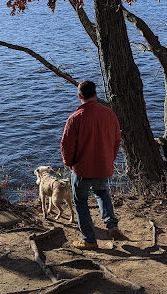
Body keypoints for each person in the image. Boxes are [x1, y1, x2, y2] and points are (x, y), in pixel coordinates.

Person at [60, 80, 125, 249]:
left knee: (80, 202)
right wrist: (109, 159)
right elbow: (117, 140)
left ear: (79, 96)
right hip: (103, 166)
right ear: (95, 94)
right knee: (102, 192)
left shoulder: (75, 119)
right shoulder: (110, 114)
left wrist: (69, 163)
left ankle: (89, 240)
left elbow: (67, 145)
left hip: (82, 169)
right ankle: (112, 224)